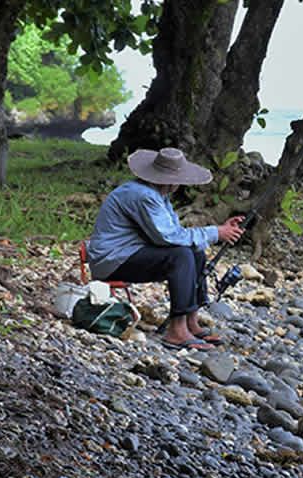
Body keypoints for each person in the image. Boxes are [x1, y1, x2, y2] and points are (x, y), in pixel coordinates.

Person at [86, 147, 246, 350]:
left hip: (126, 254)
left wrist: (219, 231)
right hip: (111, 261)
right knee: (180, 255)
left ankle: (190, 322)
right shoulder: (144, 196)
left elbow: (177, 234)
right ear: (171, 180)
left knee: (194, 252)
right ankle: (176, 331)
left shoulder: (157, 195)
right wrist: (216, 232)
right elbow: (169, 238)